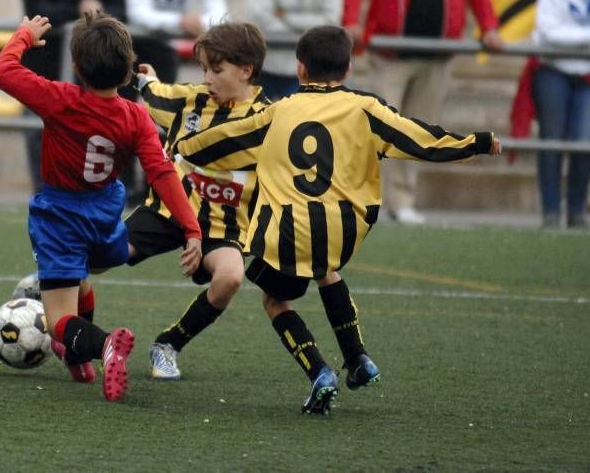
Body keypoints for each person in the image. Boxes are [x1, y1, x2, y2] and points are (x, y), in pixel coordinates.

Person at [174, 26, 502, 414]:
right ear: (347, 70)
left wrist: (183, 148)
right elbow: (421, 140)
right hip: (346, 230)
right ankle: (358, 357)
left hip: (289, 230)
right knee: (325, 269)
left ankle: (319, 372)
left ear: (299, 70)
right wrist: (478, 143)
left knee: (276, 300)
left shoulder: (278, 111)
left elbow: (227, 139)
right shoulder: (367, 109)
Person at [0, 12, 203, 401]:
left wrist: (24, 35)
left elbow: (1, 72)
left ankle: (104, 345)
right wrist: (191, 228)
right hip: (105, 216)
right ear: (126, 71)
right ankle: (77, 358)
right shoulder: (136, 115)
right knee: (83, 276)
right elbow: (162, 172)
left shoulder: (61, 100)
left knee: (57, 320)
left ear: (75, 66)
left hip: (60, 218)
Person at [81, 21, 272, 381]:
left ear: (246, 70)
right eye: (203, 69)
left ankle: (168, 344)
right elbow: (156, 94)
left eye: (216, 70)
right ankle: (45, 286)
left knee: (231, 276)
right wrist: (144, 80)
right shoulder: (191, 101)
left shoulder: (268, 119)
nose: (208, 78)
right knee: (100, 259)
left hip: (221, 224)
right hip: (169, 211)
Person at [343, 0, 505, 224]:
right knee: (380, 129)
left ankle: (403, 201)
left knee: (419, 131)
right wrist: (350, 19)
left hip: (437, 59)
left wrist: (489, 27)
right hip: (390, 56)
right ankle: (368, 200)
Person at [20, 0, 126, 193]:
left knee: (83, 135)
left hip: (88, 72)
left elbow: (122, 11)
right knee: (37, 130)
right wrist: (78, 13)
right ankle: (43, 190)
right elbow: (35, 7)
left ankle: (79, 191)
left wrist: (100, 13)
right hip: (44, 66)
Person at [529, 0, 590, 229]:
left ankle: (576, 213)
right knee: (552, 141)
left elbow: (561, 33)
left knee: (585, 143)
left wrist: (579, 37)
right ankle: (550, 212)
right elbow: (547, 31)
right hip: (554, 70)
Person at [243, 0, 342, 100]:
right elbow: (259, 16)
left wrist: (286, 16)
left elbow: (331, 21)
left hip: (311, 71)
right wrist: (311, 31)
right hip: (265, 66)